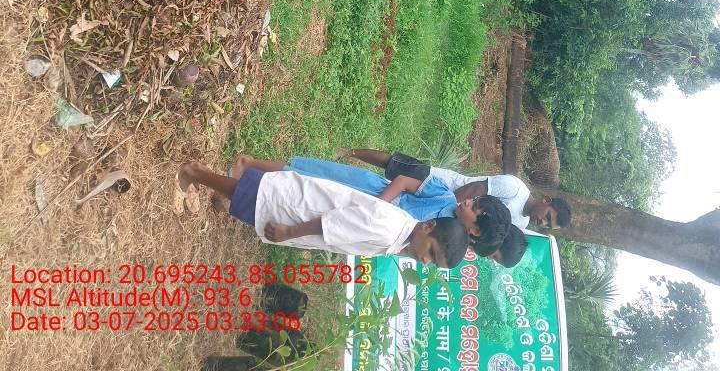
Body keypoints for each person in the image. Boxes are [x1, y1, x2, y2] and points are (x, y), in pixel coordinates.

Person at [177, 157, 468, 267]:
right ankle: (195, 172)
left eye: (433, 263)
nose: (425, 260)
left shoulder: (402, 231)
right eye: (431, 253)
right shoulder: (389, 229)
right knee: (247, 195)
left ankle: (203, 175)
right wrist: (289, 232)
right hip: (301, 208)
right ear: (428, 226)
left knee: (250, 196)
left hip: (304, 206)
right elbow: (335, 223)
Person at [342, 149, 572, 231]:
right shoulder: (515, 189)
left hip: (445, 213)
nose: (542, 222)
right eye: (548, 217)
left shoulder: (520, 224)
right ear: (546, 201)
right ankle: (349, 152)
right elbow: (473, 188)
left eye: (547, 225)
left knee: (388, 195)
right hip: (439, 185)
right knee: (394, 165)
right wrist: (441, 204)